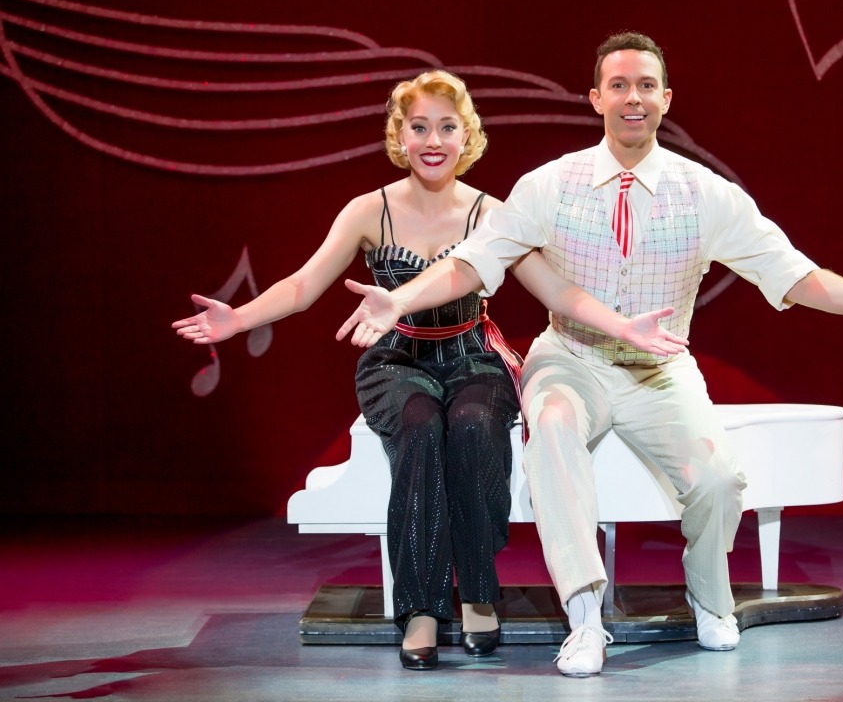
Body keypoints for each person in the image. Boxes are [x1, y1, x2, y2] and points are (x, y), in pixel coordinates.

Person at [334, 34, 843, 677]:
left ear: (665, 99)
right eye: (618, 86)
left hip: (660, 371)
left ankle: (710, 598)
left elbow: (793, 274)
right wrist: (400, 300)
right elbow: (475, 261)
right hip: (570, 359)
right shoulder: (550, 184)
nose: (631, 98)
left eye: (644, 86)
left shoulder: (705, 194)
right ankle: (585, 618)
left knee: (719, 479)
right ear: (596, 98)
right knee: (550, 428)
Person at [172, 69, 686, 672]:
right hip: (397, 362)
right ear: (400, 135)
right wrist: (237, 320)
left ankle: (477, 590)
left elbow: (554, 287)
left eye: (447, 126)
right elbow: (304, 284)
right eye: (419, 127)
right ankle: (420, 607)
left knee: (471, 426)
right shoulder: (370, 210)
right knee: (418, 428)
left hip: (472, 357)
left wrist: (623, 327)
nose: (433, 140)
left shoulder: (494, 214)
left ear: (467, 135)